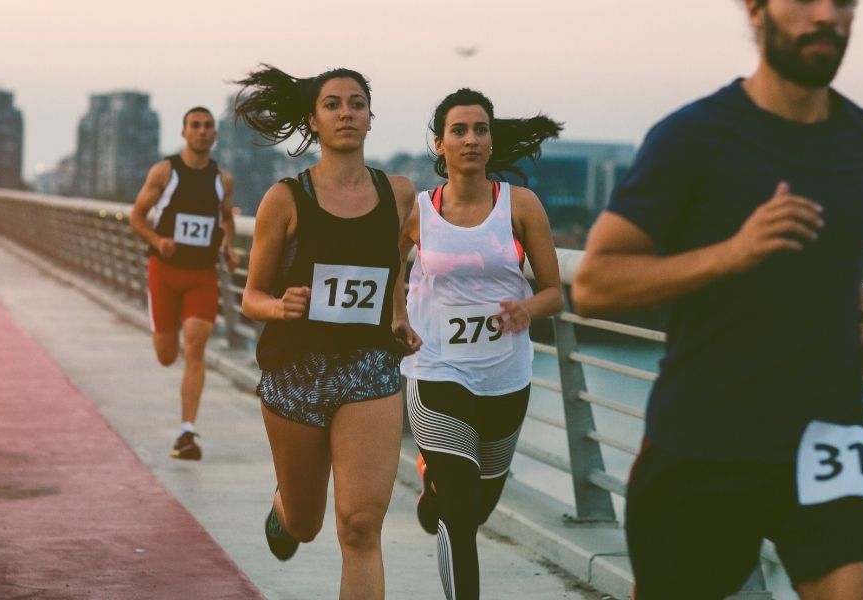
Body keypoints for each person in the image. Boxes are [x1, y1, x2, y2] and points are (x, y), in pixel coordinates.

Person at [571, 1, 863, 598]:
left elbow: (837, 262)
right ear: (756, 9)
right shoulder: (694, 137)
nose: (826, 15)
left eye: (842, 0)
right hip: (704, 443)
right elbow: (594, 283)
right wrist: (734, 253)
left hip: (828, 438)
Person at [234, 65, 418, 599]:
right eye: (333, 104)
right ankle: (284, 510)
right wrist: (280, 306)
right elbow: (251, 296)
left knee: (361, 526)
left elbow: (396, 262)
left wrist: (399, 310)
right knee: (307, 523)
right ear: (314, 122)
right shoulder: (286, 199)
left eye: (356, 103)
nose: (346, 113)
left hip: (369, 370)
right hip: (296, 372)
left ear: (370, 118)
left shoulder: (399, 193)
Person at [395, 88, 563, 600]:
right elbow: (385, 275)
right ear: (439, 145)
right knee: (462, 513)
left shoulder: (521, 206)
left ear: (492, 142)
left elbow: (554, 292)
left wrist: (527, 309)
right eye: (459, 131)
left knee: (481, 502)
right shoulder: (418, 212)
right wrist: (397, 318)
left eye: (481, 130)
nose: (471, 139)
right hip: (437, 369)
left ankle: (434, 488)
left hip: (504, 375)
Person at [130, 106, 238, 460]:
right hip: (164, 271)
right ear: (184, 132)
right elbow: (137, 216)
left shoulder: (222, 180)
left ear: (214, 135)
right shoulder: (165, 172)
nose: (203, 131)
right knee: (167, 355)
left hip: (202, 275)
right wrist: (157, 241)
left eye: (208, 126)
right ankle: (169, 324)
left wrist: (228, 247)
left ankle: (187, 432)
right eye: (195, 125)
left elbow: (225, 219)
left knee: (195, 347)